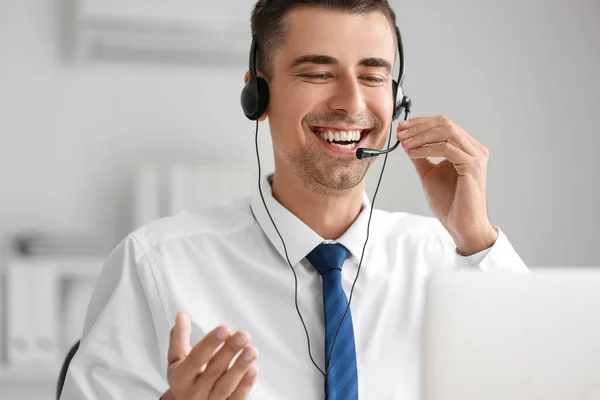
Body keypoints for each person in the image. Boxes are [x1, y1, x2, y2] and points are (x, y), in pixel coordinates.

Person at [60, 0, 527, 399]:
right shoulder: (155, 266)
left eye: (372, 76)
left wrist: (478, 239)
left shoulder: (454, 261)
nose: (352, 103)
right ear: (257, 92)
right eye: (319, 73)